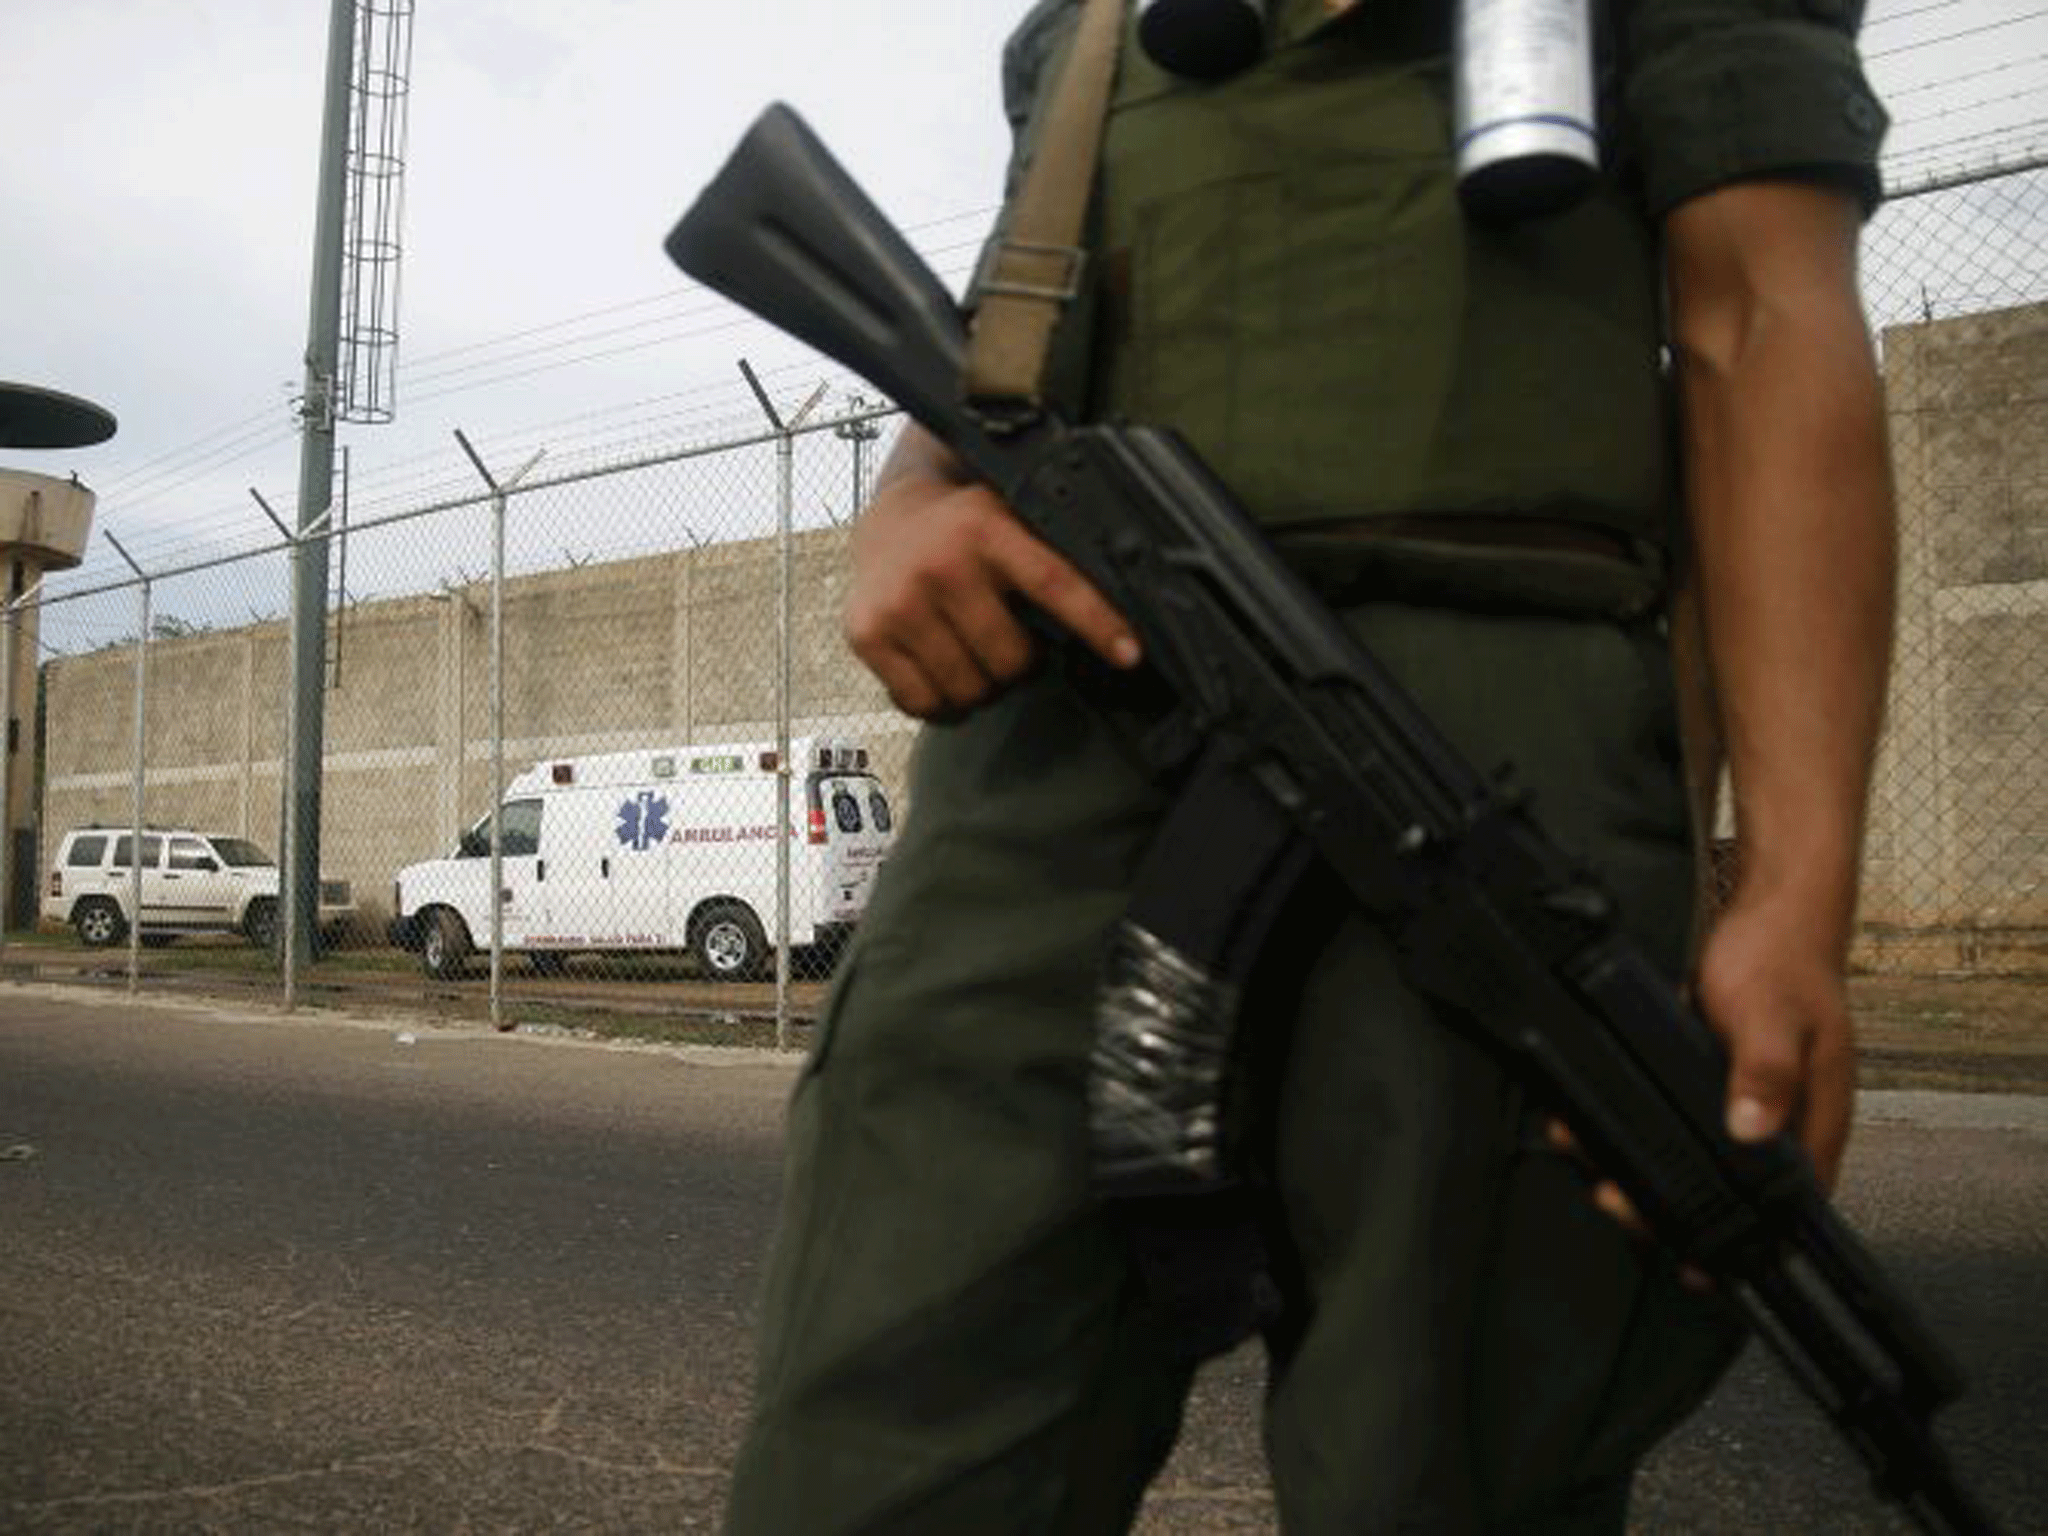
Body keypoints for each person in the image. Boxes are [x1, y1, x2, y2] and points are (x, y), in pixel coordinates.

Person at [724, 0, 1894, 1529]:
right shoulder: (1083, 31)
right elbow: (1007, 351)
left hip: (1489, 796)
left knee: (1447, 1465)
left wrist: (1798, 898)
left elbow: (1765, 316)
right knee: (875, 1454)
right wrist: (913, 499)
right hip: (1061, 751)